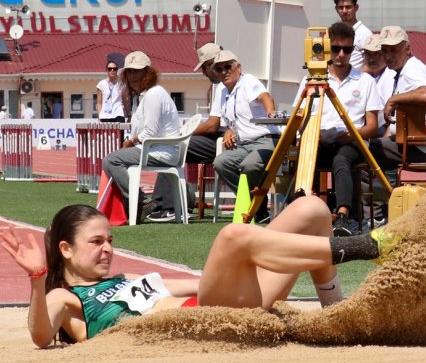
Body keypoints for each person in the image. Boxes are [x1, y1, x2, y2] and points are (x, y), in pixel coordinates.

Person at [0, 195, 397, 347]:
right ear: (65, 250)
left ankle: (336, 312)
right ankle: (365, 246)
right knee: (231, 238)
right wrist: (37, 278)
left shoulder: (127, 281)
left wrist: (251, 268)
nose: (108, 249)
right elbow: (39, 335)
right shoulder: (68, 298)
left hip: (219, 304)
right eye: (96, 242)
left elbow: (200, 282)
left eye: (110, 240)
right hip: (204, 320)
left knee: (311, 209)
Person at [293, 22, 382, 237]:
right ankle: (303, 214)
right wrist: (308, 135)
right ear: (327, 49)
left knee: (341, 160)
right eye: (336, 49)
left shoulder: (366, 81)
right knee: (306, 156)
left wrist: (351, 134)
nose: (342, 54)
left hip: (353, 141)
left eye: (348, 49)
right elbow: (299, 117)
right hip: (320, 139)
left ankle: (343, 216)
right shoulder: (311, 79)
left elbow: (372, 126)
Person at [148, 42, 227, 222]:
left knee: (173, 146)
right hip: (224, 136)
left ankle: (166, 206)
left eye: (204, 69)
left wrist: (182, 131)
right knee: (174, 144)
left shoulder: (223, 86)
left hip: (226, 138)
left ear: (211, 66)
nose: (203, 73)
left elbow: (212, 126)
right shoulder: (225, 85)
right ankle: (163, 204)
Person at [102, 51, 181, 220]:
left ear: (148, 73)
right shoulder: (142, 96)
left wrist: (131, 141)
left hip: (161, 150)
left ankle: (141, 201)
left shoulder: (153, 94)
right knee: (113, 159)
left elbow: (150, 132)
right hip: (152, 148)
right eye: (129, 72)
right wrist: (131, 140)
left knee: (111, 160)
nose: (133, 76)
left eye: (137, 71)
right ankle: (135, 202)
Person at [211, 49, 281, 223]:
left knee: (249, 166)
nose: (224, 72)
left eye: (228, 67)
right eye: (219, 69)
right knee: (221, 163)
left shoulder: (247, 81)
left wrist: (271, 113)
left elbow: (265, 96)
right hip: (244, 143)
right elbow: (230, 120)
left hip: (266, 138)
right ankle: (257, 205)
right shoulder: (222, 91)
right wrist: (229, 130)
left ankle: (257, 207)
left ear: (238, 68)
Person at [369, 26, 426, 185]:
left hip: (424, 148)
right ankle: (389, 196)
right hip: (421, 144)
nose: (388, 56)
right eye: (384, 50)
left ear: (407, 49)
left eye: (393, 50)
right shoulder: (403, 71)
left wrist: (393, 99)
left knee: (367, 151)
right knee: (378, 146)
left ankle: (378, 203)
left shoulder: (411, 70)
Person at [359, 34, 396, 138]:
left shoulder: (390, 74)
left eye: (377, 54)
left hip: (383, 130)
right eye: (368, 54)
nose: (372, 59)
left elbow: (388, 114)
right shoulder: (367, 75)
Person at [333, 0, 373, 70]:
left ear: (356, 7)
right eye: (341, 7)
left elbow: (374, 64)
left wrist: (356, 78)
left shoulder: (365, 34)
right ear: (336, 9)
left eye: (348, 7)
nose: (344, 11)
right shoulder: (334, 33)